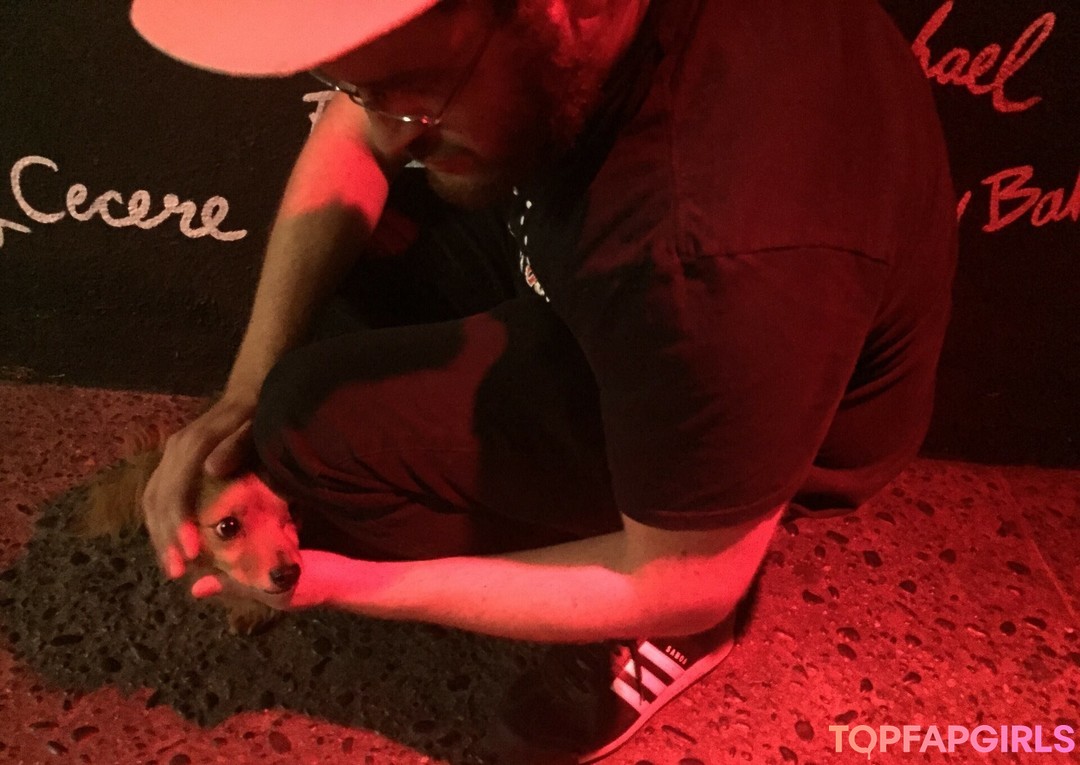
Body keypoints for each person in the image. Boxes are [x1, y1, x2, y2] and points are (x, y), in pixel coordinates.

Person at [131, 0, 958, 760]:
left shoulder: (704, 260)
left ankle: (675, 598)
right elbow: (362, 127)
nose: (389, 134)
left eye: (413, 96)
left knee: (313, 434)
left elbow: (689, 582)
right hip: (631, 272)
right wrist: (245, 386)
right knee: (322, 320)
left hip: (742, 403)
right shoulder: (558, 61)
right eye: (363, 88)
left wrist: (350, 584)